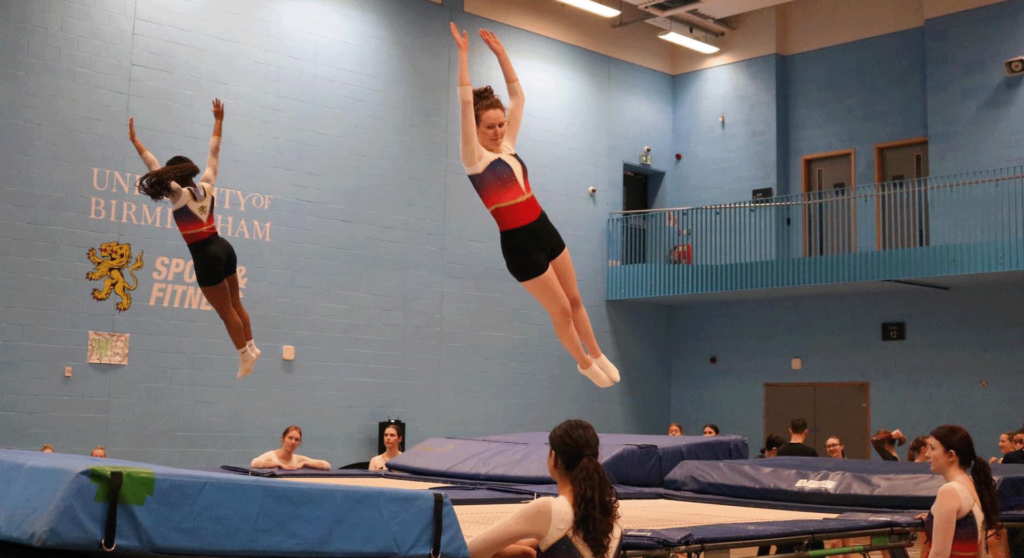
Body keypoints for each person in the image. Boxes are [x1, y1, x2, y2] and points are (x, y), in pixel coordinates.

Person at [449, 23, 619, 389]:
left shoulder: (508, 146)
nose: (497, 131)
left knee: (575, 298)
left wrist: (501, 55)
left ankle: (598, 351)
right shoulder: (473, 159)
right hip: (518, 243)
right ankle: (584, 362)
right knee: (558, 308)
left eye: (500, 124)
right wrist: (463, 55)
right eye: (490, 126)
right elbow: (465, 101)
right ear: (476, 129)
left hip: (543, 225)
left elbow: (518, 97)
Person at [129, 100, 261, 379]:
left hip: (205, 254)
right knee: (237, 304)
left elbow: (152, 165)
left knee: (226, 312)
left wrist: (136, 142)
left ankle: (244, 356)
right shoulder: (207, 184)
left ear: (172, 174)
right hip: (224, 246)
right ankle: (251, 345)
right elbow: (214, 151)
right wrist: (218, 121)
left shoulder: (177, 194)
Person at [464, 419, 621, 558]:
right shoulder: (609, 514)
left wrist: (504, 552)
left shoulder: (548, 510)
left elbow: (469, 551)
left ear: (554, 458)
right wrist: (529, 545)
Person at [920, 425, 1001, 558]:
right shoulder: (971, 486)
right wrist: (933, 519)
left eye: (933, 448)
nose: (927, 454)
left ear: (951, 455)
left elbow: (939, 555)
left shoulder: (949, 491)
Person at [251, 426, 331, 470]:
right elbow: (254, 463)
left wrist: (305, 463)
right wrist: (279, 465)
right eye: (290, 438)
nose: (293, 442)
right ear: (283, 438)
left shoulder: (299, 460)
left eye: (296, 440)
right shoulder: (271, 456)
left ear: (299, 443)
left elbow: (326, 465)